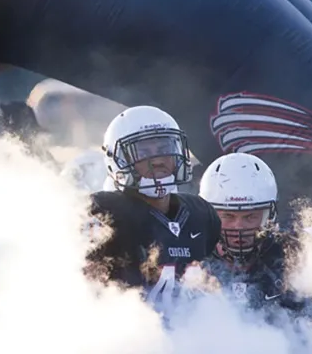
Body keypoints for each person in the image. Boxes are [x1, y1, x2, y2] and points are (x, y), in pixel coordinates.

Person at [86, 106, 221, 296]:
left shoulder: (201, 213)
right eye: (142, 152)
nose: (157, 160)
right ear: (118, 160)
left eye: (164, 149)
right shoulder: (105, 212)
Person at [197, 153, 312, 317]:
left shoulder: (293, 256)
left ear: (268, 216)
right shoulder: (190, 256)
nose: (239, 226)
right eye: (228, 216)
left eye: (250, 216)